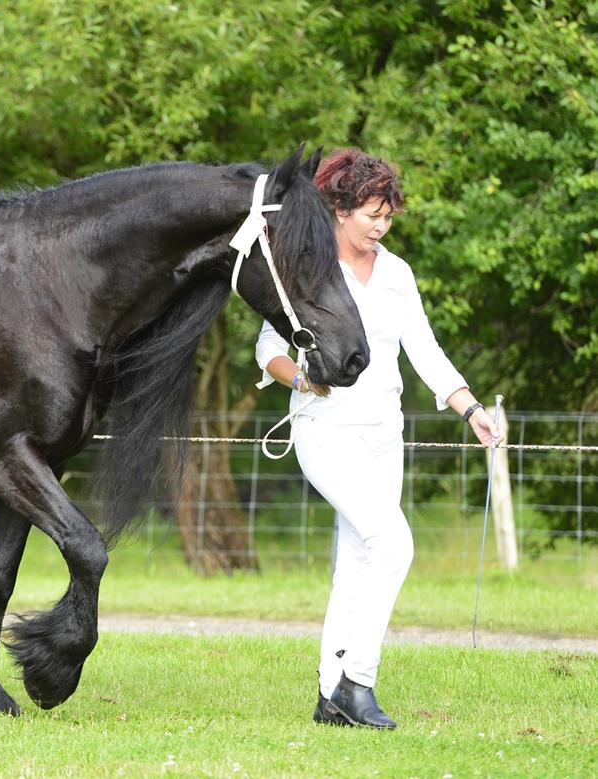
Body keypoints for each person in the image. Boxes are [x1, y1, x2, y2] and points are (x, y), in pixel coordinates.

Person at [254, 148, 500, 729]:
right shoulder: (305, 268)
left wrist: (470, 409)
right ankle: (357, 683)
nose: (381, 227)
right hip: (324, 429)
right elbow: (268, 349)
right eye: (372, 215)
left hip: (386, 435)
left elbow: (425, 350)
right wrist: (305, 378)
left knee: (359, 561)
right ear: (339, 209)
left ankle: (326, 695)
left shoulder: (397, 273)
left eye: (388, 216)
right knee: (394, 544)